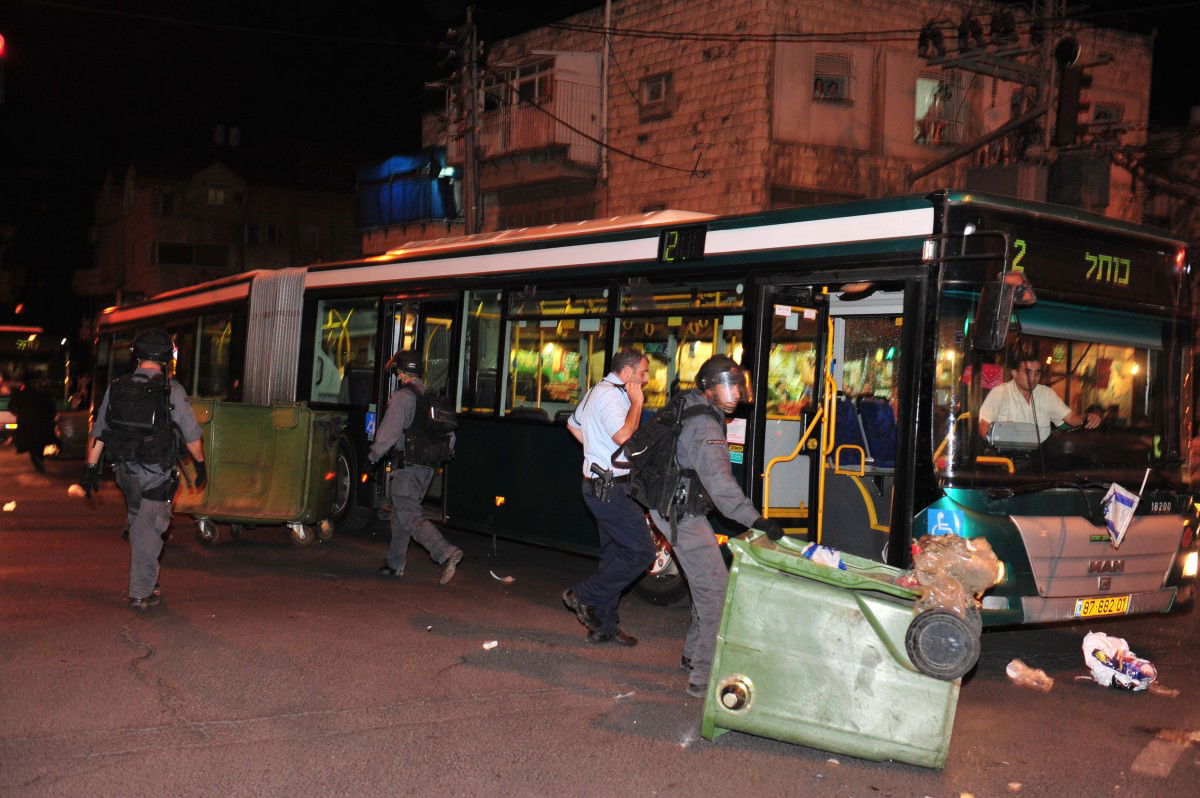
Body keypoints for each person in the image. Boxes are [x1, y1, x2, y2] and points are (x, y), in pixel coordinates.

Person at [646, 355, 782, 698]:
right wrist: (757, 520)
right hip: (682, 513)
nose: (735, 393)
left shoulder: (692, 406)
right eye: (728, 386)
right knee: (717, 593)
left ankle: (692, 655)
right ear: (709, 389)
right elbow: (721, 486)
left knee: (705, 580)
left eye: (738, 386)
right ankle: (702, 678)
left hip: (675, 507)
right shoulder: (706, 425)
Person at [80, 328, 206, 610]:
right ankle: (141, 592)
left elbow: (99, 433)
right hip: (155, 474)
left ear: (135, 355)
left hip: (124, 472)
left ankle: (143, 562)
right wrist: (200, 465)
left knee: (139, 519)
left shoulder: (116, 386)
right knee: (148, 533)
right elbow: (192, 437)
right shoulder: (171, 390)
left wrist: (90, 470)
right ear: (166, 358)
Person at [561, 348, 654, 646]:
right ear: (627, 373)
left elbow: (573, 425)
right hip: (611, 489)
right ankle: (583, 594)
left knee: (616, 556)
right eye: (643, 373)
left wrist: (595, 451)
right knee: (642, 553)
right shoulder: (611, 396)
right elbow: (625, 436)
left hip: (602, 485)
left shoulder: (596, 391)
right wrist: (637, 402)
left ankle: (604, 625)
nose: (647, 380)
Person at [366, 349, 463, 584]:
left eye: (398, 372)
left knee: (409, 515)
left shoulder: (402, 397)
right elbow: (450, 436)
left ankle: (445, 552)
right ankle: (394, 563)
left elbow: (389, 432)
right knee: (401, 515)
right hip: (427, 467)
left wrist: (373, 454)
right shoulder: (429, 396)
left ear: (401, 373)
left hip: (407, 466)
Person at [978, 354, 1100, 442]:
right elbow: (984, 427)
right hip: (1008, 459)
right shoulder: (1000, 393)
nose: (1033, 377)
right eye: (1027, 372)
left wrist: (1088, 418)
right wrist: (995, 448)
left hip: (1041, 461)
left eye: (1037, 372)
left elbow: (1071, 418)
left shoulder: (1046, 394)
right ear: (1014, 373)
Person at [9, 375, 57, 472]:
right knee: (41, 442)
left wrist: (19, 414)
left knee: (31, 443)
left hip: (26, 423)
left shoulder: (21, 394)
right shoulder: (42, 394)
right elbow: (51, 408)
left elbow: (11, 406)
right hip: (41, 423)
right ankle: (38, 458)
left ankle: (36, 458)